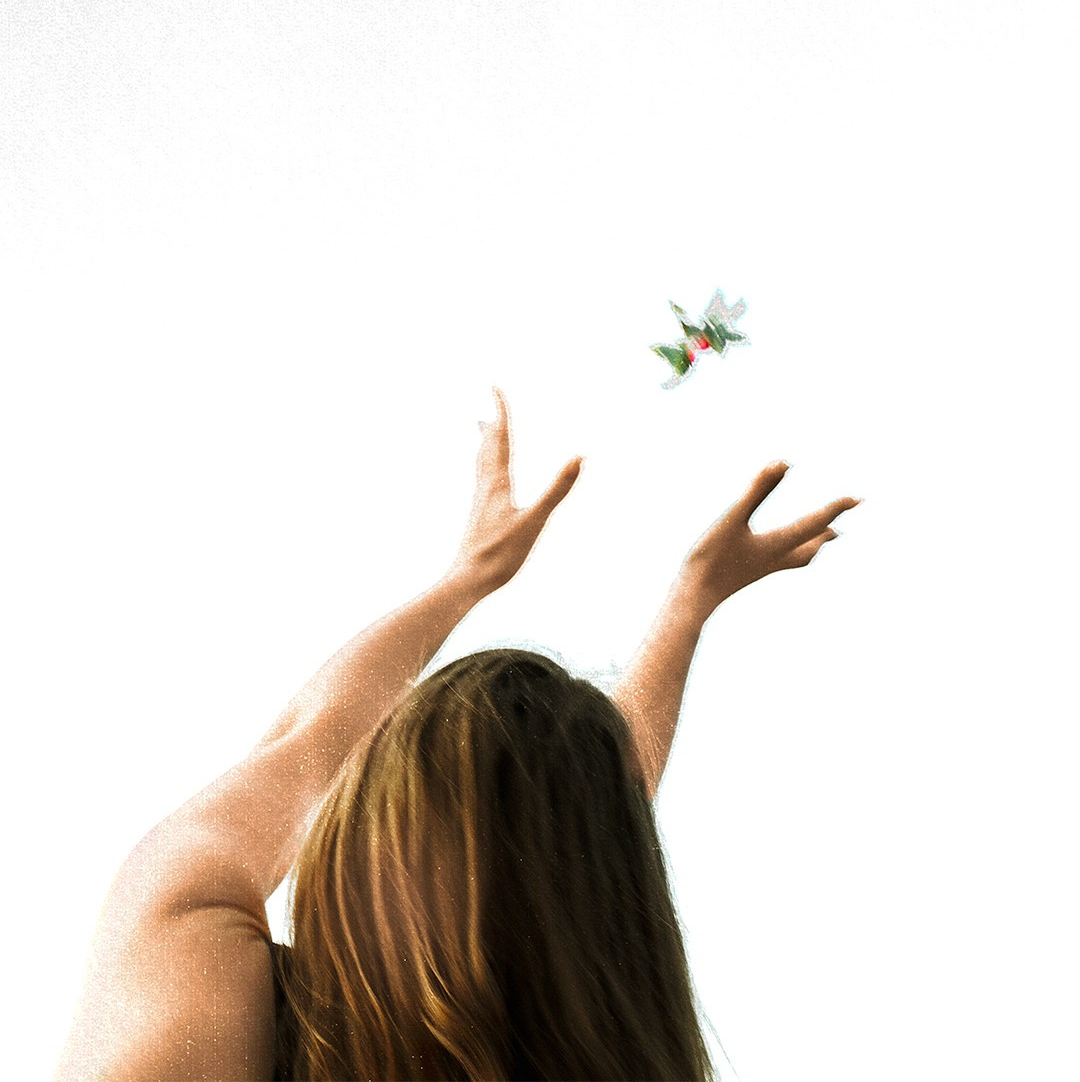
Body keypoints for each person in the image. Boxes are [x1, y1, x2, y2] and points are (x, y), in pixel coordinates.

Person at [55, 388, 860, 1082]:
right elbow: (572, 852)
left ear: (360, 841)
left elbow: (303, 751)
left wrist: (467, 578)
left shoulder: (198, 983)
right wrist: (691, 602)